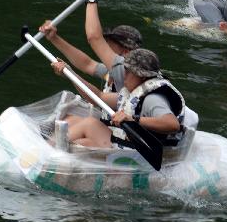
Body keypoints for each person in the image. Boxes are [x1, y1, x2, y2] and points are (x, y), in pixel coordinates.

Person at [51, 48, 188, 150]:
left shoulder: (153, 99)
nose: (124, 75)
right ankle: (50, 151)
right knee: (72, 120)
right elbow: (98, 97)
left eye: (128, 71)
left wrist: (133, 120)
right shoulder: (134, 93)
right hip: (127, 143)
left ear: (142, 76)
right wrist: (71, 74)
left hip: (140, 151)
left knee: (90, 124)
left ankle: (45, 153)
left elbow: (172, 124)